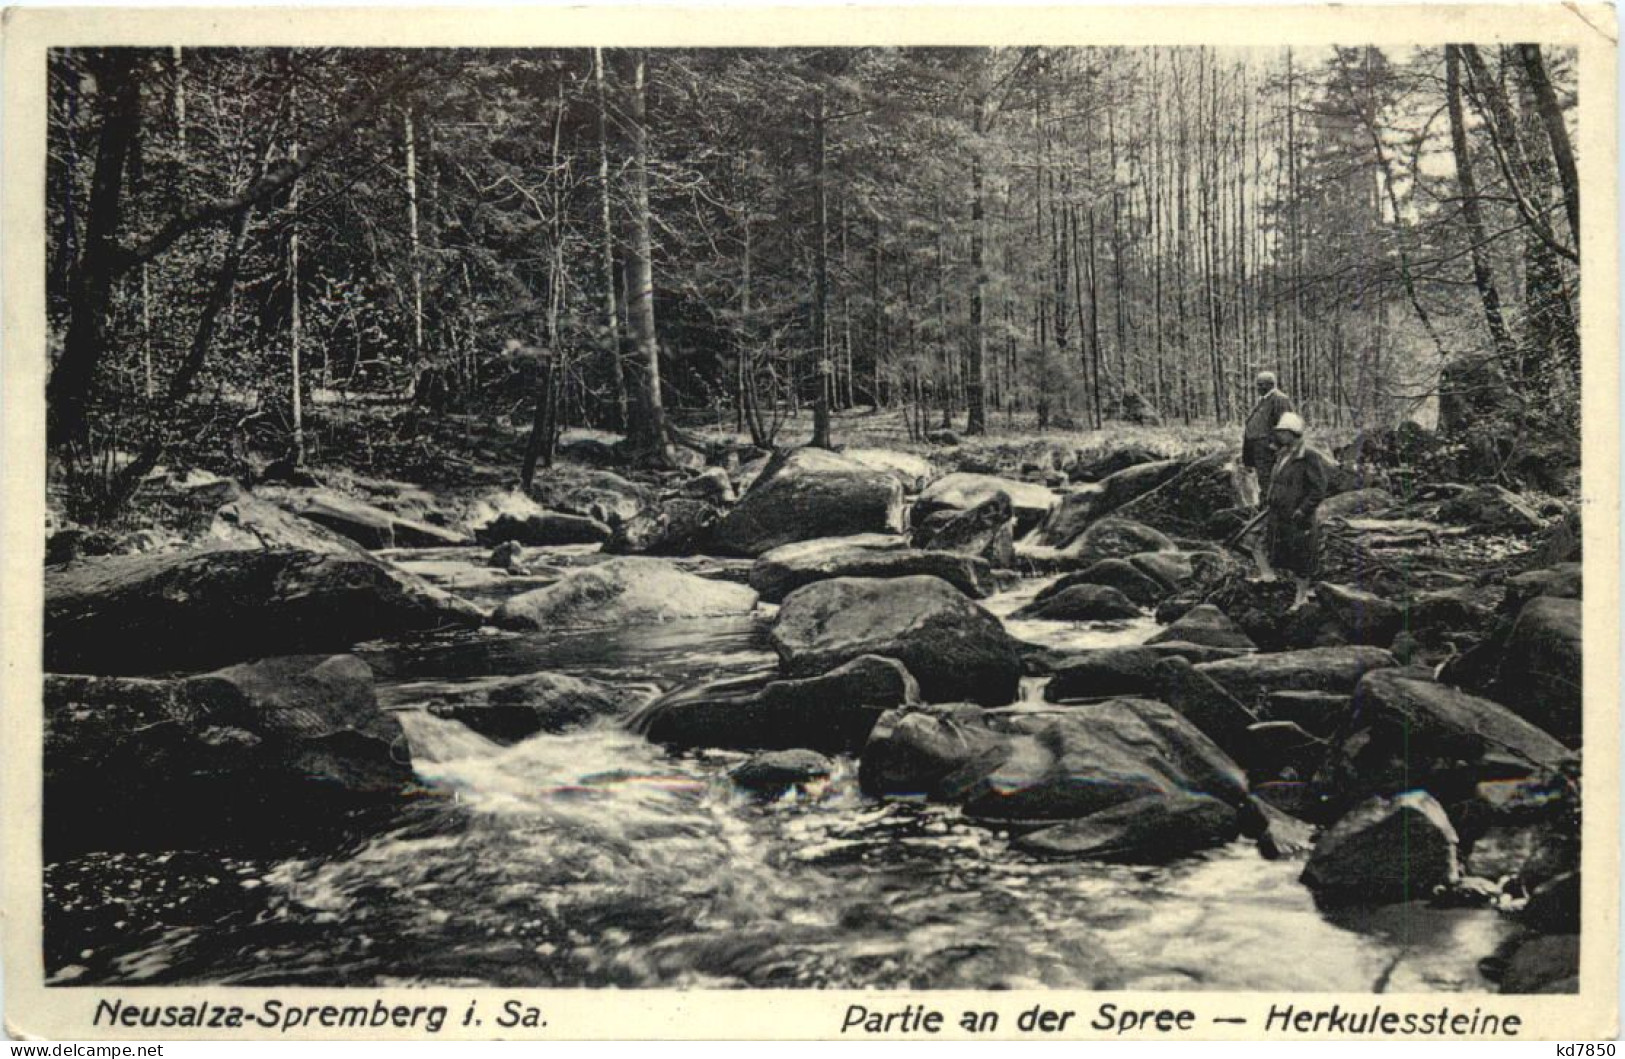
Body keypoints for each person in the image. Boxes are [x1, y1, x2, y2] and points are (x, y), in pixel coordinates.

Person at [1263, 411, 1331, 610]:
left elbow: (1318, 489)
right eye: (1279, 432)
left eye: (1283, 432)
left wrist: (1303, 509)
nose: (1279, 436)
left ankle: (1301, 598)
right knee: (1289, 554)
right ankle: (1298, 593)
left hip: (1299, 516)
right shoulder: (1283, 454)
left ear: (1293, 433)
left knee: (1303, 556)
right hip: (1281, 515)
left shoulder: (1308, 455)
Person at [1241, 371, 1294, 508]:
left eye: (1260, 385)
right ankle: (1266, 508)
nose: (1257, 388)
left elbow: (1285, 424)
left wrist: (1275, 445)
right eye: (1257, 385)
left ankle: (1272, 511)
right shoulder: (1265, 400)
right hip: (1259, 450)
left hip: (1268, 451)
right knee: (1263, 481)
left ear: (1269, 385)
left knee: (1271, 481)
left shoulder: (1280, 399)